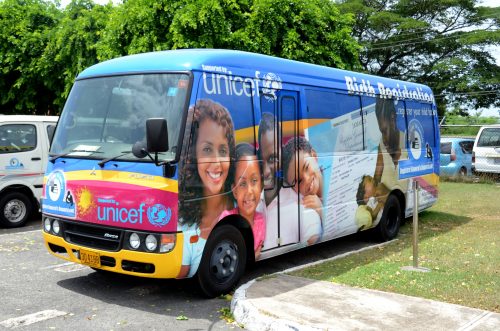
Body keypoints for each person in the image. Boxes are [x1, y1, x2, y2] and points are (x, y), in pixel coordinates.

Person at [177, 99, 236, 278]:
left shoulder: (242, 203)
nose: (217, 162)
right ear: (192, 154)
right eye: (207, 150)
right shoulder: (183, 222)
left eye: (223, 151)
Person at [257, 113, 321, 249]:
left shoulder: (301, 205)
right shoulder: (251, 202)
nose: (266, 171)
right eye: (260, 160)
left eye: (273, 158)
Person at [220, 143, 265, 260]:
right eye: (242, 184)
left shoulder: (263, 221)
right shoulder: (226, 219)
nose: (249, 191)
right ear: (234, 191)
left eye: (254, 181)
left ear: (261, 186)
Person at [282, 136, 323, 245]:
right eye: (298, 181)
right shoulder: (305, 204)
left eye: (306, 167)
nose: (306, 179)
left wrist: (322, 211)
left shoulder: (335, 175)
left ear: (314, 156)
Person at [373, 98, 408, 190]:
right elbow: (377, 175)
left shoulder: (407, 141)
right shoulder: (382, 144)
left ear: (392, 118)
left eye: (384, 131)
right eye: (381, 132)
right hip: (387, 199)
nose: (384, 140)